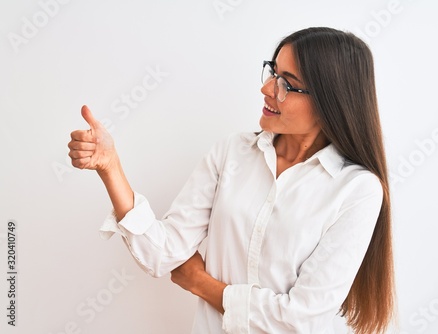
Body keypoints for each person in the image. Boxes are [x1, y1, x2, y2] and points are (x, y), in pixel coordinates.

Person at [68, 27, 395, 333]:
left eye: (286, 83)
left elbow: (300, 320)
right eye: (272, 72)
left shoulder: (357, 190)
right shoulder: (232, 153)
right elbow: (162, 254)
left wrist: (201, 283)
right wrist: (111, 168)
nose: (267, 89)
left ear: (329, 103)